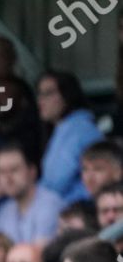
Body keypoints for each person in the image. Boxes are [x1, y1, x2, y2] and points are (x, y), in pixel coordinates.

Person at [36, 70, 104, 203]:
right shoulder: (64, 128)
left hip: (79, 211)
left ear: (67, 95)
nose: (41, 100)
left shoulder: (80, 130)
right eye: (39, 94)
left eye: (48, 93)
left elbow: (56, 182)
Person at [0, 142, 65, 245]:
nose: (8, 178)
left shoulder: (50, 204)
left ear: (32, 171)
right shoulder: (4, 211)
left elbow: (37, 253)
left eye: (14, 170)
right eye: (2, 172)